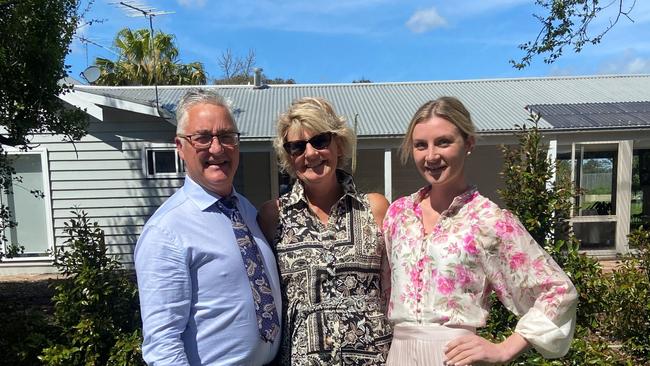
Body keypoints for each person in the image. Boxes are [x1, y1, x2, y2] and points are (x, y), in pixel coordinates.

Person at [382, 96, 578, 365]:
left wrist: (504, 349)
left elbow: (558, 291)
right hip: (399, 355)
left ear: (468, 143)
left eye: (443, 142)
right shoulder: (399, 214)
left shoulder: (488, 219)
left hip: (453, 356)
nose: (431, 156)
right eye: (420, 145)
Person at [134, 89, 282, 365]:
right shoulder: (166, 231)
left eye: (226, 136)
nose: (217, 148)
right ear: (180, 147)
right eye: (202, 138)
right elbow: (162, 343)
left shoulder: (247, 211)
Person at [258, 97, 392, 365]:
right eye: (297, 147)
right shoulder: (273, 216)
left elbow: (396, 289)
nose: (310, 153)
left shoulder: (375, 208)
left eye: (320, 141)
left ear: (338, 144)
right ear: (289, 156)